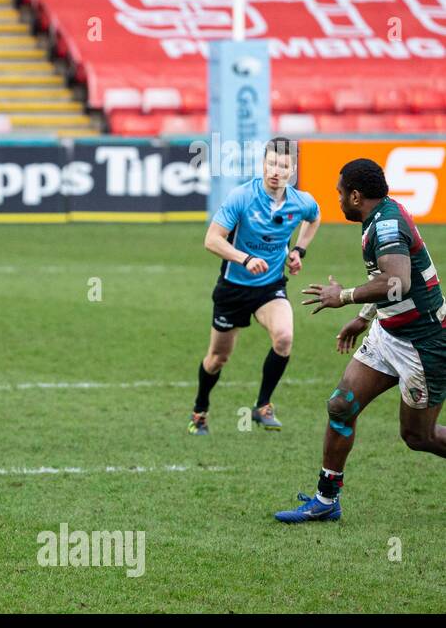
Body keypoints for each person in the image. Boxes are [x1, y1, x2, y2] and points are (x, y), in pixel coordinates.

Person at [278, 159, 446, 522]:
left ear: (355, 195)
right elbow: (389, 279)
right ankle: (326, 500)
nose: (338, 199)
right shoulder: (378, 217)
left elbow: (397, 280)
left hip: (424, 343)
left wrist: (345, 297)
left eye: (340, 193)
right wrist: (365, 316)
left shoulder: (385, 226)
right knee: (341, 405)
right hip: (389, 332)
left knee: (419, 437)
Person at [188, 137, 320, 435]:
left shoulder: (301, 202)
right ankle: (200, 410)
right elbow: (212, 240)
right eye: (271, 163)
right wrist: (244, 258)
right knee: (217, 359)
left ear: (292, 170)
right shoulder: (241, 197)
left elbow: (314, 218)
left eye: (283, 165)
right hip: (233, 287)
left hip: (269, 287)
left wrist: (299, 251)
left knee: (284, 337)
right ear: (263, 163)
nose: (275, 170)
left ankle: (262, 406)